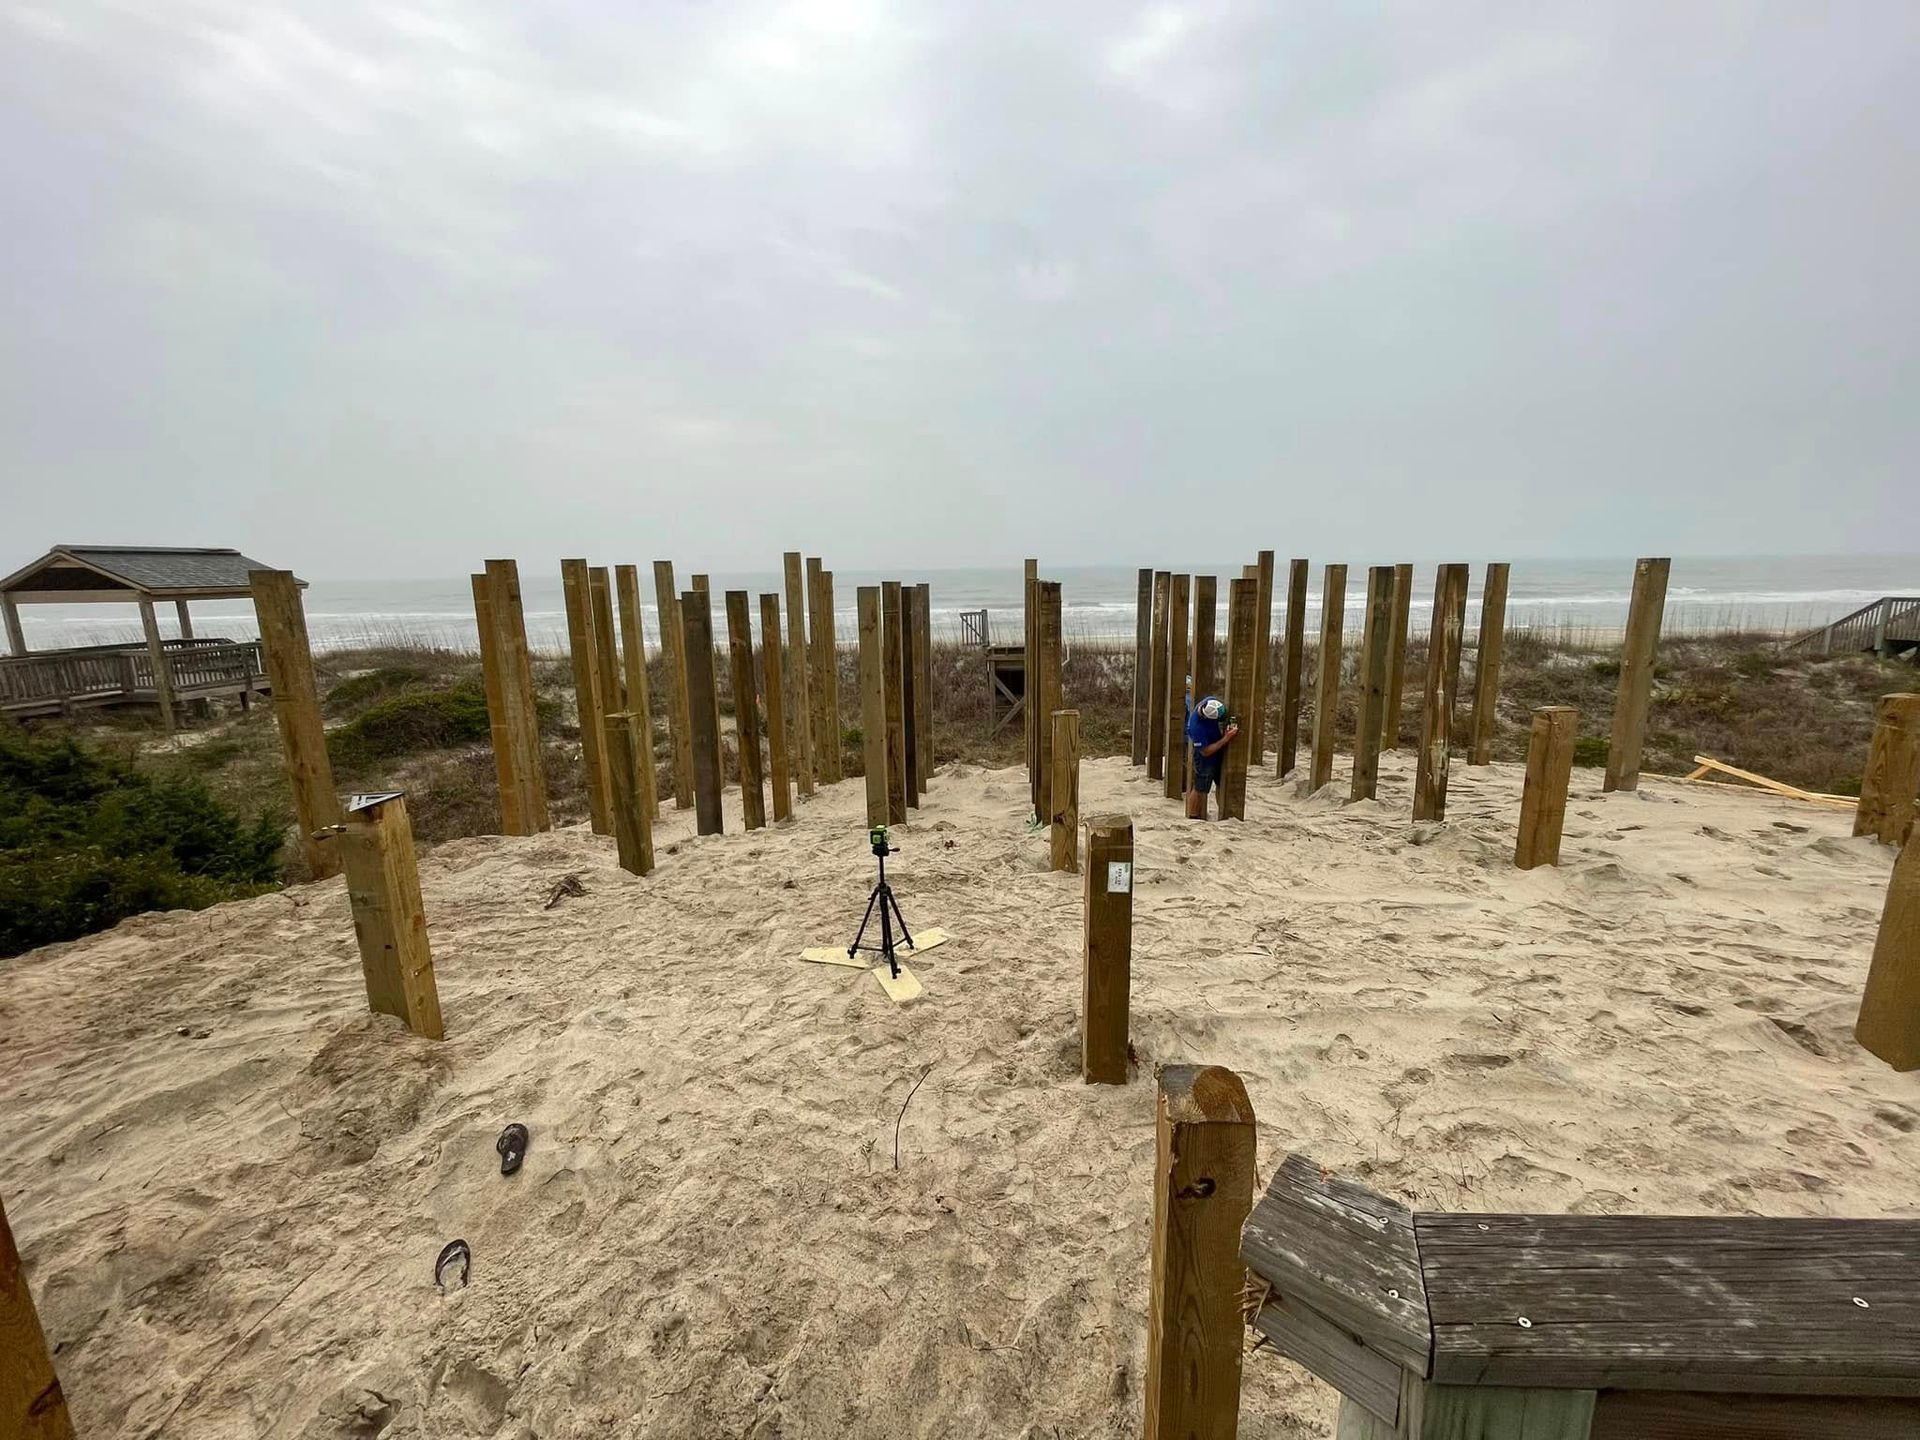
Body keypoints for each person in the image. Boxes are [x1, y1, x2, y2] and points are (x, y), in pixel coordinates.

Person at [1185, 691, 1239, 819]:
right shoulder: (1196, 727)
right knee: (1200, 787)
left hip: (1216, 746)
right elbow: (1205, 751)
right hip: (1205, 757)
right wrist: (1225, 739)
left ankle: (1224, 813)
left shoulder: (1211, 702)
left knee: (1222, 783)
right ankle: (1193, 816)